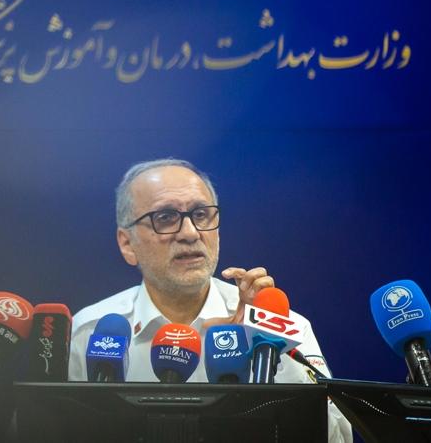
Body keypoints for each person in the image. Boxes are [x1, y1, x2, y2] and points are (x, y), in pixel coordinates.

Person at [68, 158, 352, 442]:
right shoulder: (90, 332)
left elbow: (338, 438)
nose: (190, 233)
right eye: (165, 217)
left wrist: (266, 345)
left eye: (201, 214)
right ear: (127, 244)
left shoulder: (284, 326)